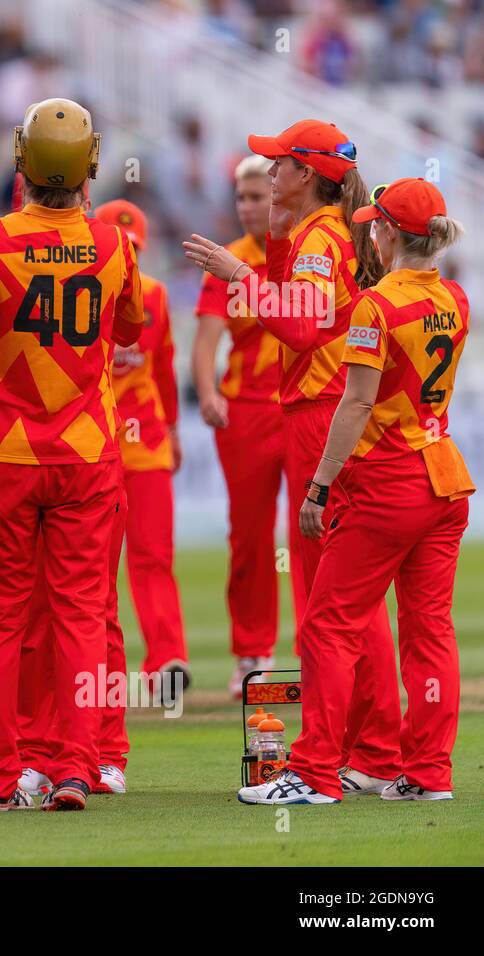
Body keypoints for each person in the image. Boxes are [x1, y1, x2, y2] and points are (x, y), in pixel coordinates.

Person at [0, 99, 146, 812]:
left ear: (22, 159)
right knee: (81, 619)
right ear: (91, 165)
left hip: (6, 455)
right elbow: (132, 327)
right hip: (87, 454)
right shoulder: (116, 245)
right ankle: (75, 769)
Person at [185, 119, 403, 798]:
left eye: (277, 164)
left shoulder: (318, 238)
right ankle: (373, 750)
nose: (266, 174)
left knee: (329, 599)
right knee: (348, 596)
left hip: (318, 410)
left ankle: (339, 758)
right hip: (327, 406)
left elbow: (303, 330)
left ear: (305, 176)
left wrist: (238, 274)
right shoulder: (329, 232)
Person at [238, 178, 471, 804]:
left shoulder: (377, 304)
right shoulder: (455, 297)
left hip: (389, 481)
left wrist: (318, 487)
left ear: (388, 232)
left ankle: (315, 773)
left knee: (328, 625)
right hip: (444, 477)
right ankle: (427, 774)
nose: (370, 229)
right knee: (429, 632)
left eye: (376, 224)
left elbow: (357, 401)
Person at [190, 155, 292, 697]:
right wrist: (207, 392)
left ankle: (326, 649)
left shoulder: (307, 254)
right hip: (247, 413)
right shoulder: (227, 262)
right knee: (250, 540)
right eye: (243, 198)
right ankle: (252, 651)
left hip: (304, 407)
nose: (251, 207)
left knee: (314, 533)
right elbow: (206, 341)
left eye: (261, 196)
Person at [95, 199, 189, 685]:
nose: (128, 257)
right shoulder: (83, 295)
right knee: (96, 567)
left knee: (154, 555)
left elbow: (166, 368)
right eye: (121, 247)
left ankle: (167, 659)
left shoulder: (154, 295)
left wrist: (173, 431)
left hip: (147, 441)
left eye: (134, 248)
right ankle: (97, 666)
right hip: (95, 446)